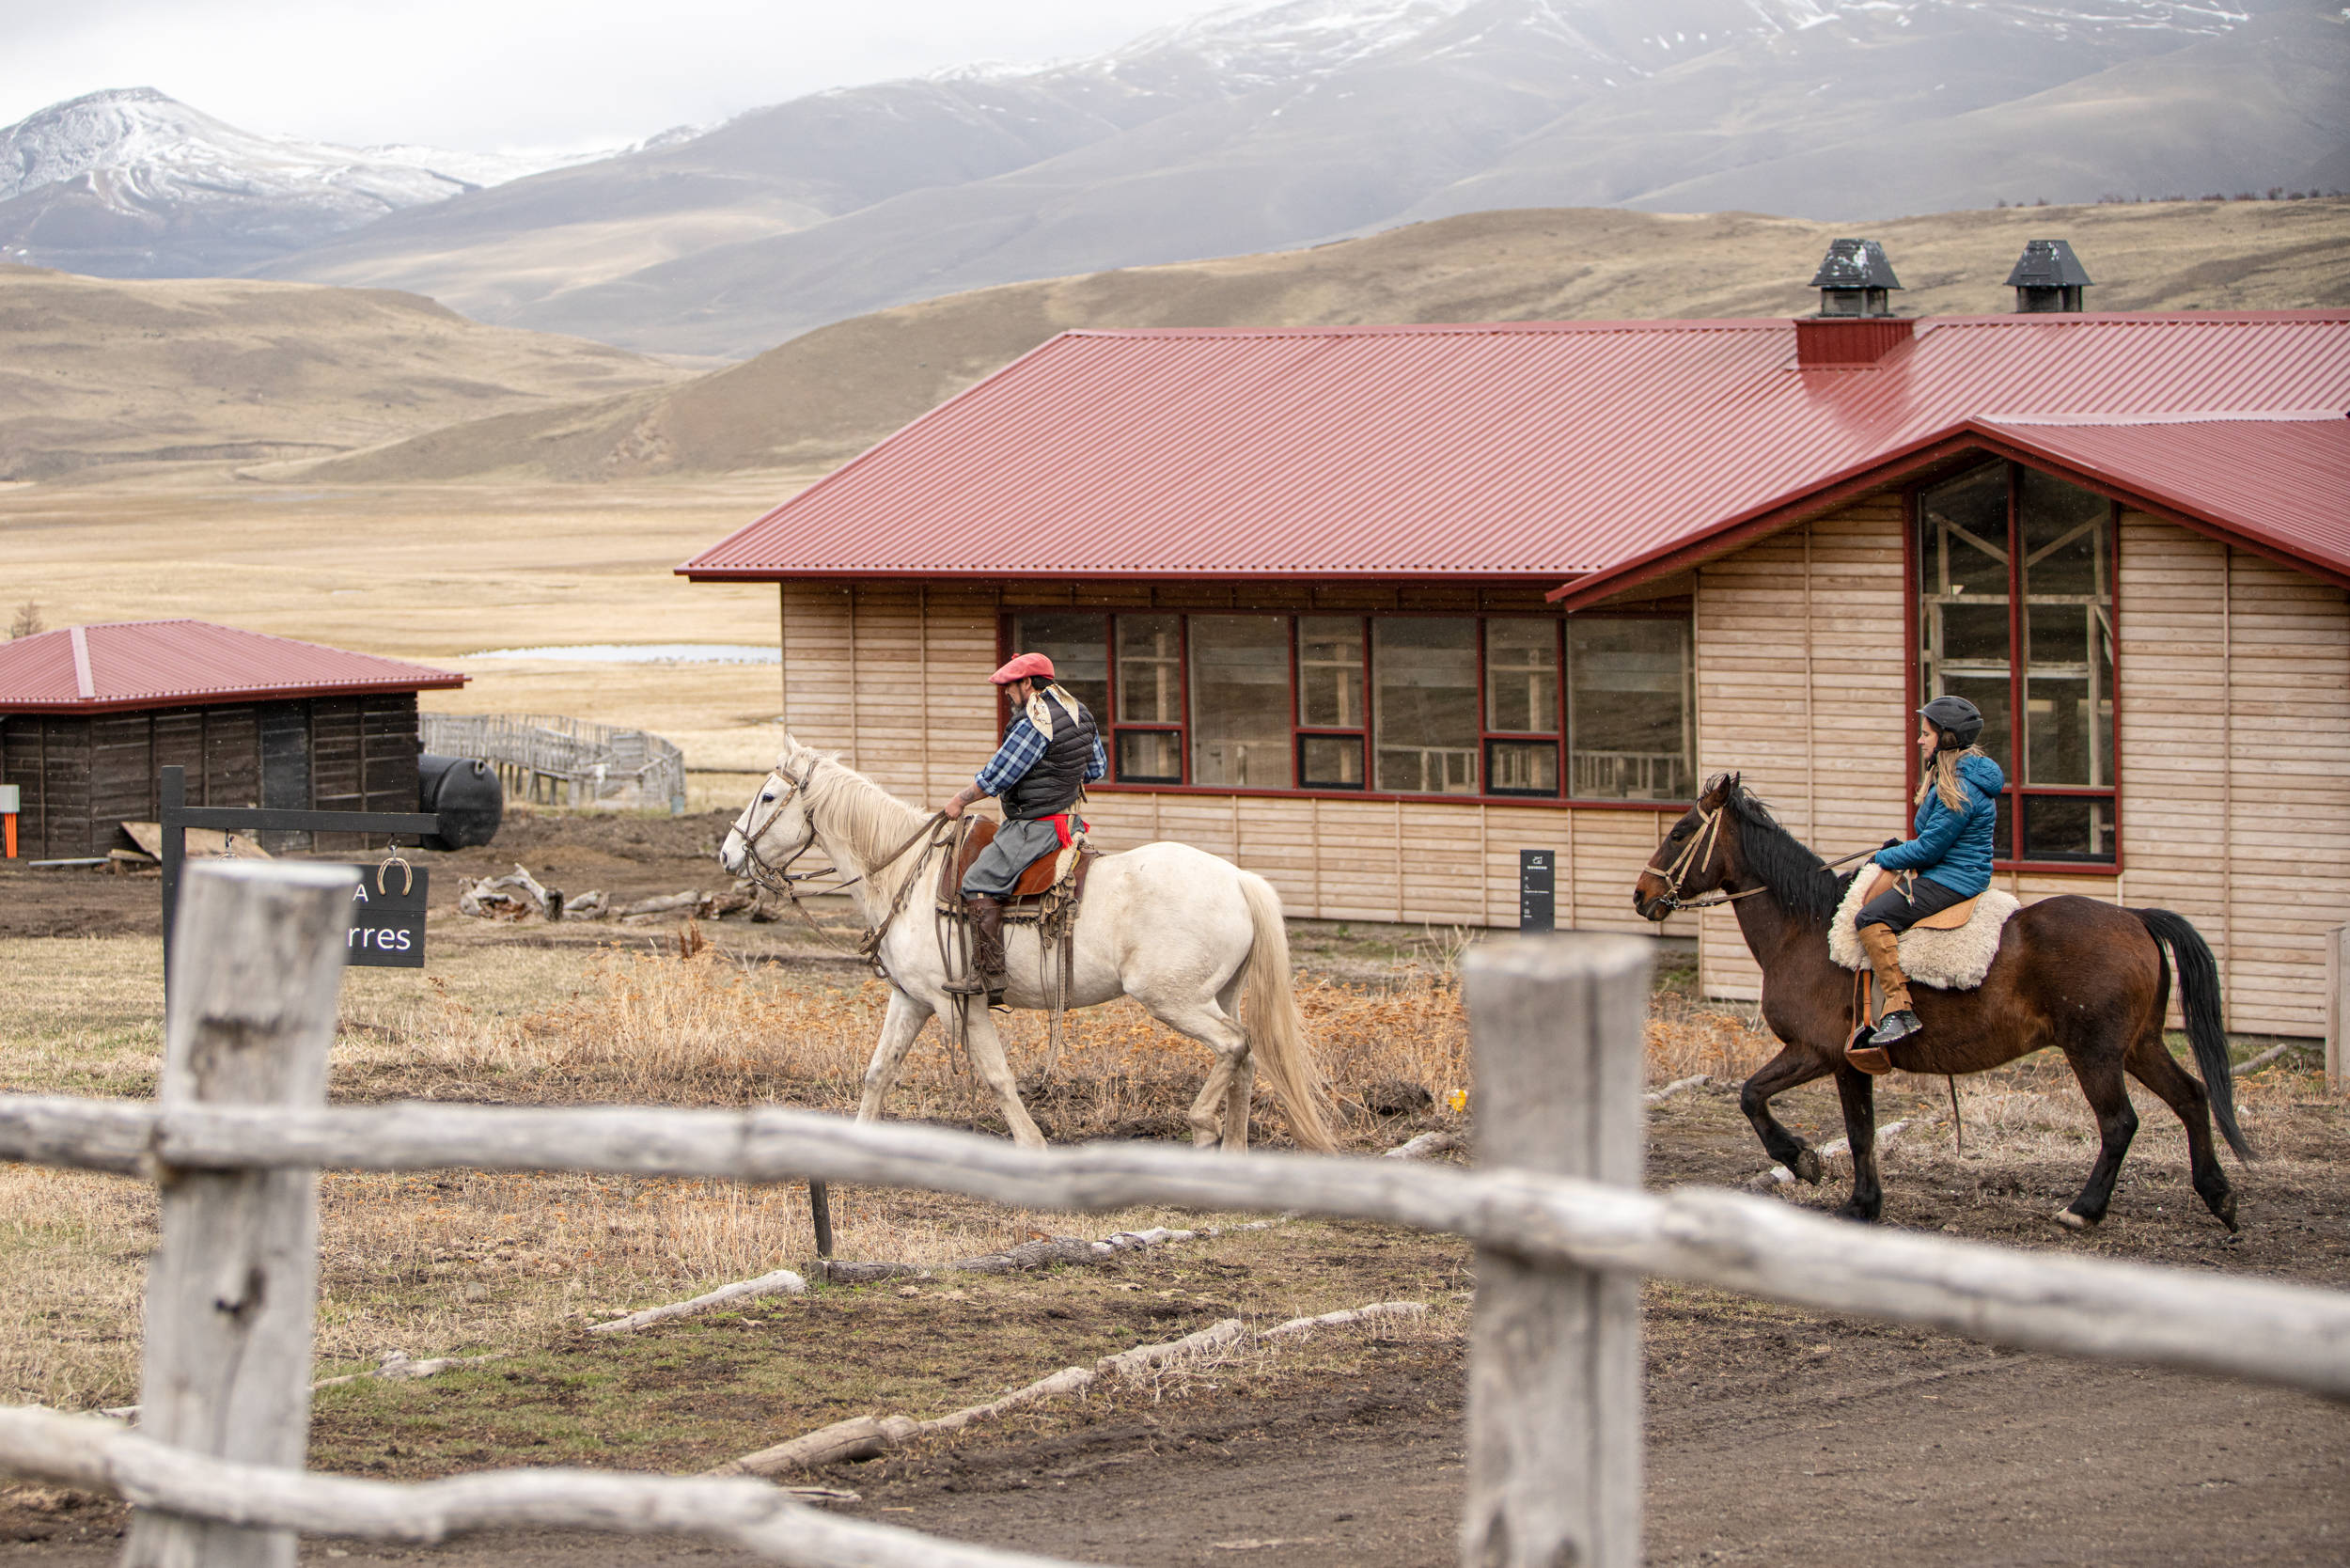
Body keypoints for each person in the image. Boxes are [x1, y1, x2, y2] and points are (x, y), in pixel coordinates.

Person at [1848, 694, 2005, 1071]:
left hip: (1953, 879)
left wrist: (1881, 858)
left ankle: (1900, 1011)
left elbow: (1931, 849)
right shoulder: (1954, 777)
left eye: (1926, 734)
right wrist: (1898, 848)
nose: (1920, 740)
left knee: (1870, 918)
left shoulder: (1961, 788)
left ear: (1947, 739)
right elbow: (1930, 840)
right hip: (1947, 871)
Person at [938, 652, 1106, 1001]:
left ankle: (990, 974)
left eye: (1009, 686)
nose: (1006, 694)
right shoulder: (1079, 711)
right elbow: (1095, 770)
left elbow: (997, 777)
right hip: (1068, 821)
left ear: (1027, 684)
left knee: (978, 880)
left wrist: (959, 800)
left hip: (1035, 826)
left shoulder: (1035, 720)